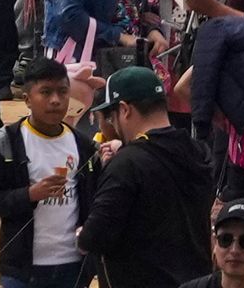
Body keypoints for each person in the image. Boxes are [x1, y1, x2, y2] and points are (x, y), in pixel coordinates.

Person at [85, 64, 216, 288]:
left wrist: (81, 234)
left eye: (112, 115)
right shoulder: (198, 151)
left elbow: (95, 237)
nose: (112, 123)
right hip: (197, 280)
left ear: (125, 109)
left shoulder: (126, 163)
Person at [0, 54, 95, 288]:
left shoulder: (84, 145)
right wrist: (30, 194)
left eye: (63, 92)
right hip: (22, 268)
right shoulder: (6, 142)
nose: (56, 100)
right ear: (27, 99)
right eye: (45, 92)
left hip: (71, 265)